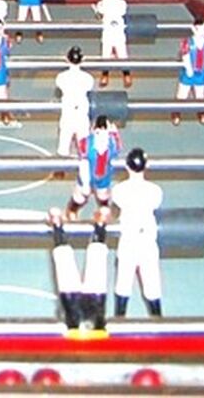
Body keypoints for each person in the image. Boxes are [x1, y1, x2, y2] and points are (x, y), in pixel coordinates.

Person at [109, 148, 164, 317]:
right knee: (152, 286)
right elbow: (156, 204)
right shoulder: (155, 190)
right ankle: (158, 321)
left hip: (128, 240)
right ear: (146, 166)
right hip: (147, 241)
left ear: (127, 167)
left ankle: (119, 320)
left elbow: (117, 203)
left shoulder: (119, 190)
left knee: (123, 284)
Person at [45, 204, 110, 332]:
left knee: (66, 263)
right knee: (96, 259)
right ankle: (100, 226)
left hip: (76, 314)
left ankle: (57, 227)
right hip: (93, 313)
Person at [67, 116, 123, 219]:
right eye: (98, 132)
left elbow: (118, 148)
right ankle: (72, 211)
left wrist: (115, 133)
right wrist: (85, 183)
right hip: (88, 175)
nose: (102, 135)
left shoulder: (112, 144)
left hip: (103, 177)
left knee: (103, 196)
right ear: (94, 131)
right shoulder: (86, 144)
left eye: (105, 132)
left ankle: (104, 213)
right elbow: (83, 163)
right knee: (79, 197)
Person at [54, 46, 95, 157]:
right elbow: (89, 87)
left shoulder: (61, 77)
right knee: (84, 149)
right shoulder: (88, 78)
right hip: (81, 114)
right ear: (83, 59)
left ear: (67, 59)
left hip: (68, 114)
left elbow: (59, 84)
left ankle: (61, 166)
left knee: (63, 147)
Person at [172, 20, 204, 126]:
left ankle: (201, 111)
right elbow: (185, 55)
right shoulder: (187, 42)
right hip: (188, 73)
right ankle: (176, 112)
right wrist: (189, 69)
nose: (202, 31)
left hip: (201, 72)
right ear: (193, 29)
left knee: (200, 94)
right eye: (199, 29)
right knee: (182, 94)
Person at [93, 0, 131, 88]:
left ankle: (105, 76)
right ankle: (127, 76)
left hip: (108, 31)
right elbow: (123, 12)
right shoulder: (122, 3)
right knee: (122, 54)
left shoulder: (101, 3)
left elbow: (99, 14)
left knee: (106, 55)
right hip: (118, 30)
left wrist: (98, 13)